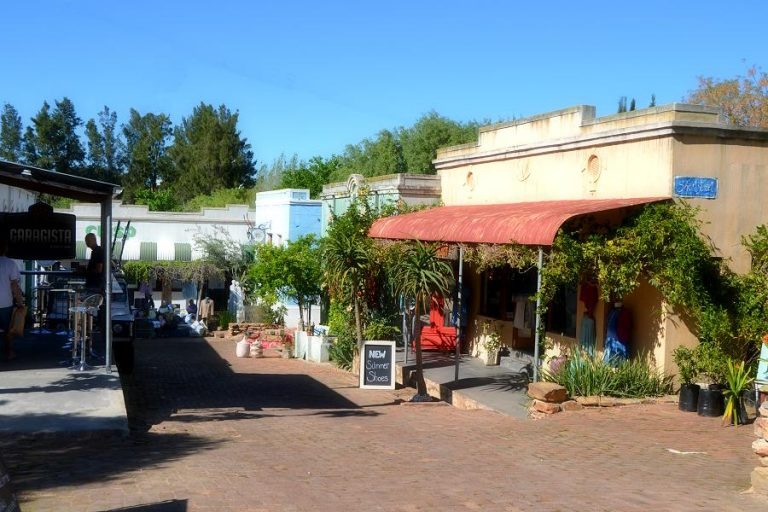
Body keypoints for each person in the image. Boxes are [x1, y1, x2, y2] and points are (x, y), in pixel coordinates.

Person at [0, 238, 24, 361]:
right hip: (5, 303)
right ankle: (9, 352)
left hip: (6, 303)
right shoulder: (10, 264)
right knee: (8, 330)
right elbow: (14, 285)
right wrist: (20, 302)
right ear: (6, 249)